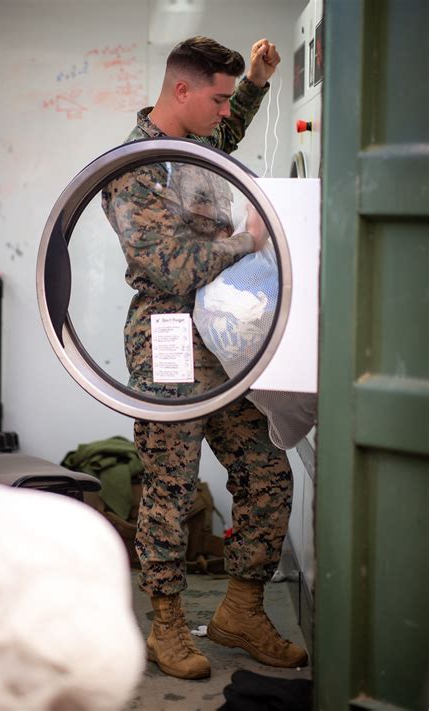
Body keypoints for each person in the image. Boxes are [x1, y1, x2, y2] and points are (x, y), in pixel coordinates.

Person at [102, 36, 308, 680]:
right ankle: (166, 626)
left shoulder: (198, 144)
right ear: (181, 91)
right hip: (167, 343)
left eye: (229, 101)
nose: (226, 113)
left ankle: (240, 611)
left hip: (223, 342)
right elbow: (170, 265)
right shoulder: (133, 169)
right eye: (217, 98)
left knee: (268, 477)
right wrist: (251, 240)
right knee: (171, 485)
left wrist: (256, 83)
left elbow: (227, 128)